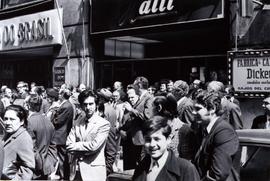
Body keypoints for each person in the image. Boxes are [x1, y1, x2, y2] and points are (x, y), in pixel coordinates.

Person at [133, 115, 200, 181]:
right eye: (148, 139)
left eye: (157, 139)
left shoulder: (185, 169)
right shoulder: (141, 168)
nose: (152, 144)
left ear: (168, 140)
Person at [193, 91, 240, 181]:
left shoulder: (224, 131)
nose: (193, 112)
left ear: (212, 109)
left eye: (197, 109)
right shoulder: (204, 129)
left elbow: (218, 174)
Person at [66, 89, 110, 181]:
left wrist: (76, 145)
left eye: (91, 104)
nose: (88, 107)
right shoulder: (77, 122)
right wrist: (83, 147)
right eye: (85, 104)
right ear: (81, 106)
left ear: (96, 105)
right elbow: (68, 145)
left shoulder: (103, 124)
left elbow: (94, 146)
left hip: (94, 172)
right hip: (76, 171)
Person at [152, 94, 197, 160]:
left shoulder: (184, 130)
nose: (150, 111)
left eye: (152, 107)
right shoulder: (155, 127)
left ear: (159, 108)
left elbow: (186, 161)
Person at [26, 94, 57, 179]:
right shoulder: (48, 122)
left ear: (28, 106)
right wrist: (48, 164)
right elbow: (53, 146)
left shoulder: (29, 122)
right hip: (46, 167)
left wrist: (39, 164)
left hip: (34, 169)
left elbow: (32, 148)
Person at [1, 105, 35, 180]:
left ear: (22, 121)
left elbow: (28, 168)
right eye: (6, 119)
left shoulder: (24, 138)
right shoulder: (9, 133)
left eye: (12, 119)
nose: (7, 122)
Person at [51, 87, 74, 180]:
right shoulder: (66, 105)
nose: (58, 95)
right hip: (62, 135)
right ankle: (63, 175)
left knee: (62, 158)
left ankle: (64, 176)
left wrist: (53, 112)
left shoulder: (66, 106)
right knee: (62, 157)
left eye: (60, 94)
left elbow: (57, 121)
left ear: (62, 95)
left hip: (61, 135)